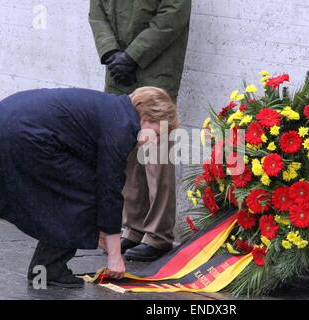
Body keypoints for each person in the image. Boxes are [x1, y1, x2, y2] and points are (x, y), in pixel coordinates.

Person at [0, 87, 178, 288]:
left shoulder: (115, 110)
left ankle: (46, 267)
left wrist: (102, 231)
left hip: (3, 119)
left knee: (76, 190)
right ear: (148, 117)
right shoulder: (123, 128)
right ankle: (49, 268)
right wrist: (115, 257)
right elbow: (109, 190)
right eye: (158, 134)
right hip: (23, 134)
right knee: (85, 196)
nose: (154, 142)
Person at [89, 0, 191, 262]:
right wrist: (111, 52)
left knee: (156, 154)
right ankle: (133, 228)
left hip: (155, 68)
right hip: (118, 68)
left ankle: (158, 235)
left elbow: (173, 14)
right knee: (126, 151)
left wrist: (132, 56)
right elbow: (97, 12)